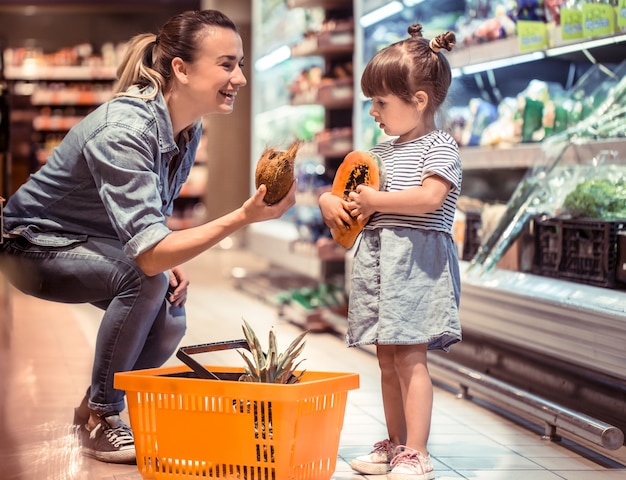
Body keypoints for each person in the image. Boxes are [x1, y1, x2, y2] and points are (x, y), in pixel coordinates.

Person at [0, 9, 296, 464]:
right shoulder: (125, 129)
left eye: (239, 63)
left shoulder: (186, 129)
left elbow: (149, 223)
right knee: (146, 280)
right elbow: (148, 257)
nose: (239, 77)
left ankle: (93, 407)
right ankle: (104, 416)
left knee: (170, 315)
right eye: (226, 64)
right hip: (30, 244)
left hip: (88, 243)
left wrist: (161, 250)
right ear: (180, 68)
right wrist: (241, 217)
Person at [318, 24, 462, 480]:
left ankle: (416, 451)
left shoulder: (440, 145)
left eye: (381, 102)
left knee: (410, 357)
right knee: (385, 357)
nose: (374, 111)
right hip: (380, 263)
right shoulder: (379, 153)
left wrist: (376, 201)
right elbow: (350, 194)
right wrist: (329, 201)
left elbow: (430, 198)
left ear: (418, 101)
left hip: (417, 264)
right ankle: (396, 443)